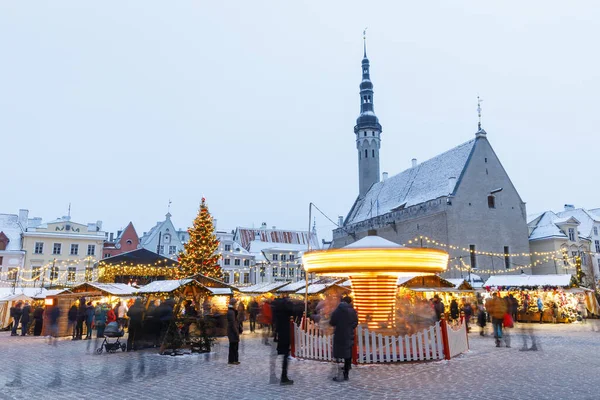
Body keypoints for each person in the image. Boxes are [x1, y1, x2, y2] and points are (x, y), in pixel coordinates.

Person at [329, 296, 358, 382]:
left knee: (338, 353)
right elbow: (355, 322)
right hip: (348, 334)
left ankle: (338, 374)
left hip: (339, 334)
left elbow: (332, 322)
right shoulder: (352, 311)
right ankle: (346, 374)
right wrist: (350, 328)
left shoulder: (337, 310)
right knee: (347, 354)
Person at [272, 295, 294, 385]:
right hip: (285, 334)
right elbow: (291, 311)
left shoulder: (277, 311)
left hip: (280, 333)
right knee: (285, 355)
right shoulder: (285, 312)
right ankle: (284, 377)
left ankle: (282, 375)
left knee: (283, 354)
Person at [227, 298, 240, 365]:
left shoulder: (232, 311)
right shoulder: (231, 312)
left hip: (232, 331)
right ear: (233, 304)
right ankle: (233, 360)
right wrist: (236, 332)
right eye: (236, 303)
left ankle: (233, 360)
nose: (236, 305)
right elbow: (233, 323)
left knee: (233, 346)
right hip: (232, 331)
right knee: (233, 346)